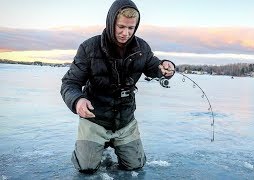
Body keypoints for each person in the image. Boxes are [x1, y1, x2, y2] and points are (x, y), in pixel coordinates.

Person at [60, 0, 175, 174]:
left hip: (125, 121)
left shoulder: (142, 47)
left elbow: (154, 67)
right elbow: (70, 83)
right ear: (111, 21)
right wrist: (78, 100)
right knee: (87, 167)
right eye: (121, 26)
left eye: (131, 28)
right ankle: (96, 145)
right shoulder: (88, 47)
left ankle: (119, 143)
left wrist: (165, 67)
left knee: (135, 166)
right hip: (95, 120)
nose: (125, 33)